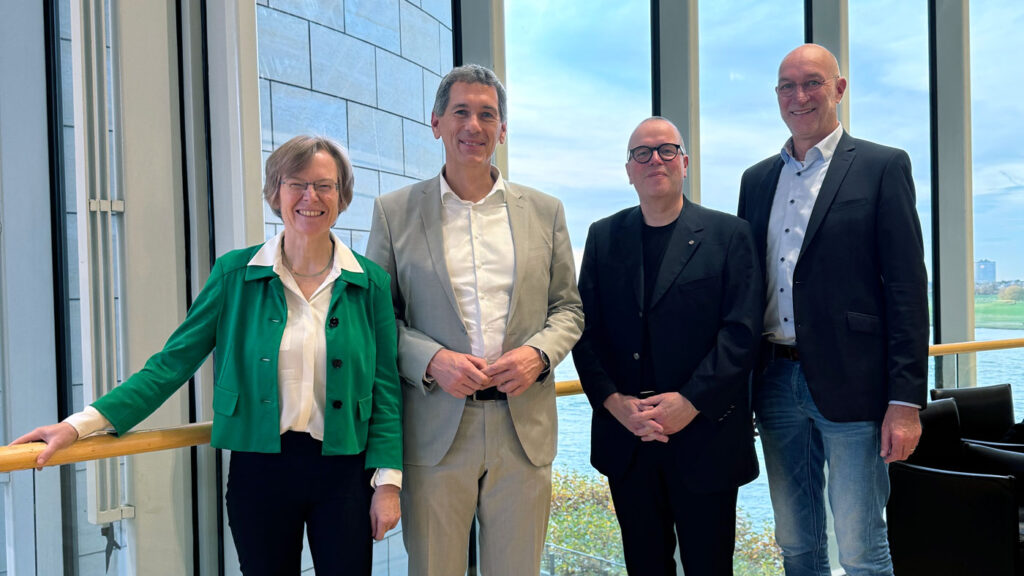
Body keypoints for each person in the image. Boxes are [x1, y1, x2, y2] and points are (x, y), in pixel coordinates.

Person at [12, 135, 403, 576]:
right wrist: (78, 426)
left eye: (324, 185)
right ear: (276, 191)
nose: (310, 197)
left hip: (346, 473)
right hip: (261, 471)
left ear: (343, 196)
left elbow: (385, 389)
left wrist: (388, 484)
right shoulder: (234, 275)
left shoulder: (369, 281)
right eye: (296, 183)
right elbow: (170, 364)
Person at [365, 64, 583, 576]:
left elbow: (568, 308)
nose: (474, 125)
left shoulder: (546, 211)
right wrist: (431, 359)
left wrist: (538, 354)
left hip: (522, 427)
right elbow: (376, 318)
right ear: (436, 122)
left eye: (488, 115)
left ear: (502, 130)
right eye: (461, 111)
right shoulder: (393, 212)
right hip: (436, 429)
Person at [736, 44, 928, 576]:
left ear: (839, 89)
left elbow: (908, 291)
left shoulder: (881, 166)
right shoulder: (756, 181)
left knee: (862, 548)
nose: (799, 96)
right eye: (787, 86)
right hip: (772, 381)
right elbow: (747, 288)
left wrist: (905, 402)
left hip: (855, 385)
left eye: (812, 83)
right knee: (796, 543)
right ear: (776, 96)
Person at [573, 117, 763, 575]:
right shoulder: (603, 236)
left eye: (666, 150)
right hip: (629, 438)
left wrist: (690, 402)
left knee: (710, 565)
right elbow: (584, 330)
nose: (654, 159)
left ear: (685, 163)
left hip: (705, 437)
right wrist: (614, 403)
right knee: (643, 565)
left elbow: (741, 333)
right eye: (642, 152)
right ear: (629, 170)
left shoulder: (730, 235)